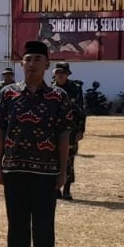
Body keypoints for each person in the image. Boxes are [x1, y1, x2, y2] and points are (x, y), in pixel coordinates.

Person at [0, 41, 75, 247]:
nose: (32, 63)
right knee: (16, 224)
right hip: (14, 169)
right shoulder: (7, 94)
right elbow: (0, 131)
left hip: (46, 172)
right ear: (21, 63)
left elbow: (63, 136)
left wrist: (63, 171)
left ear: (47, 64)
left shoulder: (58, 97)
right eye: (28, 59)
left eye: (38, 59)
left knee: (43, 226)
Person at [52, 62, 86, 198]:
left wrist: (81, 130)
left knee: (69, 159)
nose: (60, 75)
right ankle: (55, 189)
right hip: (52, 130)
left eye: (63, 73)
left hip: (70, 129)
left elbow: (81, 110)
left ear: (67, 74)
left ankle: (66, 189)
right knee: (54, 159)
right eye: (58, 73)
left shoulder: (75, 89)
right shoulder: (49, 88)